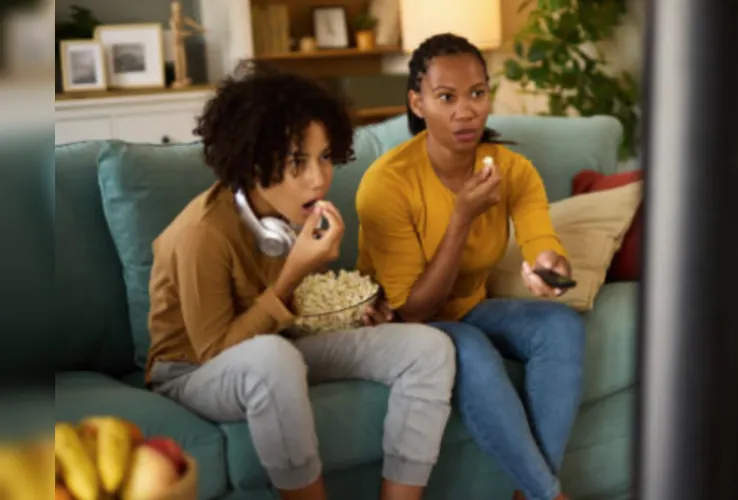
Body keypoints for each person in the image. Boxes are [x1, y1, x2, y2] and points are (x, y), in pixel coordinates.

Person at [144, 62, 455, 500]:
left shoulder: (287, 214)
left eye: (325, 157)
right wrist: (294, 271)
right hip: (193, 372)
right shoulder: (202, 233)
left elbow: (294, 316)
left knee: (428, 348)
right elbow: (216, 352)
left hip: (277, 347)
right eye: (297, 161)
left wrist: (359, 313)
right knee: (272, 357)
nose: (319, 178)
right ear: (254, 162)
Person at [355, 33, 586, 500]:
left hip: (469, 307)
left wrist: (548, 265)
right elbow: (414, 310)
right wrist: (461, 218)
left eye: (477, 93)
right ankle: (549, 495)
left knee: (560, 324)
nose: (466, 111)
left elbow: (541, 241)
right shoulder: (387, 184)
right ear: (417, 103)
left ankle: (529, 494)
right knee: (473, 350)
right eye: (446, 97)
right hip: (400, 324)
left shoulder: (511, 170)